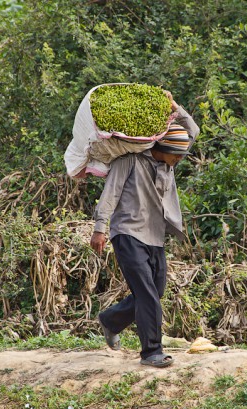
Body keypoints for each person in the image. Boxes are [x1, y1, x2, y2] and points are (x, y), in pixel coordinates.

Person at [90, 91, 200, 368]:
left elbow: (192, 131)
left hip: (154, 236)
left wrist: (176, 106)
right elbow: (110, 194)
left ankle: (111, 319)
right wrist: (100, 228)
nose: (178, 162)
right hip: (127, 234)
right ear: (163, 149)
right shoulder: (129, 161)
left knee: (154, 291)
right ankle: (152, 351)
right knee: (148, 294)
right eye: (176, 157)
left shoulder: (168, 164)